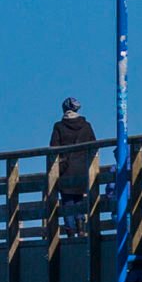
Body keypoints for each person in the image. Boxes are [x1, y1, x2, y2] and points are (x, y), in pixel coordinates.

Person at [47, 97, 96, 235]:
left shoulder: (59, 126)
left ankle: (70, 230)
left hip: (65, 168)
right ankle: (81, 226)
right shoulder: (86, 126)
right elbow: (93, 145)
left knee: (67, 200)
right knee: (79, 199)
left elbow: (53, 147)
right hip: (82, 167)